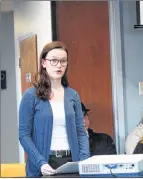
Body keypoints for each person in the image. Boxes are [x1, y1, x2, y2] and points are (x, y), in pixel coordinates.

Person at [19, 41, 90, 177]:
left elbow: (81, 132)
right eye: (54, 61)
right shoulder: (31, 95)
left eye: (63, 61)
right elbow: (24, 135)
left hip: (72, 163)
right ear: (44, 63)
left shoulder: (72, 95)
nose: (59, 65)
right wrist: (40, 163)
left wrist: (84, 159)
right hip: (45, 164)